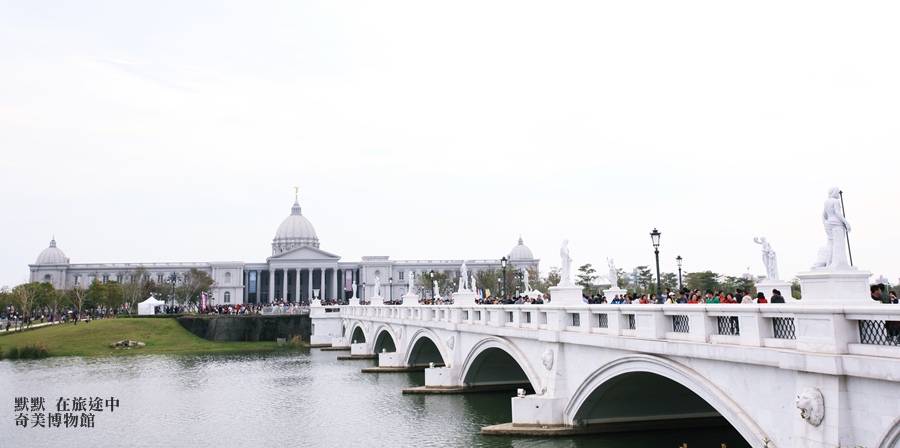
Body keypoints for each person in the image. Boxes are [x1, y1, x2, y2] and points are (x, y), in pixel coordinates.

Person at [813, 187, 852, 268]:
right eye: (837, 192)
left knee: (832, 245)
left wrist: (826, 223)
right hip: (837, 223)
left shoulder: (826, 202)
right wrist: (846, 223)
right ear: (834, 193)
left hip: (829, 224)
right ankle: (834, 263)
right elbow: (837, 213)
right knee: (837, 244)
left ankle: (829, 263)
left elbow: (824, 215)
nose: (838, 194)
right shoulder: (836, 201)